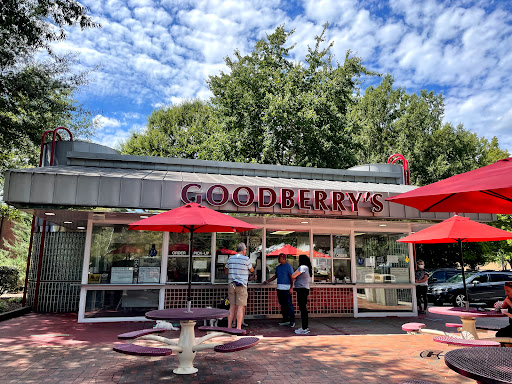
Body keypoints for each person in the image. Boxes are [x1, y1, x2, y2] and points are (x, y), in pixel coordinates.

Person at [225, 242, 254, 329]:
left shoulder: (230, 258)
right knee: (240, 307)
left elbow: (226, 271)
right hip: (241, 285)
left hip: (231, 284)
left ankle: (229, 326)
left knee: (232, 307)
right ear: (243, 250)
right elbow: (252, 270)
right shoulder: (246, 259)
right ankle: (238, 328)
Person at [264, 253, 295, 327]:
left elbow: (292, 277)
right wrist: (268, 281)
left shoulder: (288, 266)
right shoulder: (278, 267)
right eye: (278, 258)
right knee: (282, 305)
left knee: (289, 305)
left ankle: (292, 320)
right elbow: (276, 276)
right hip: (279, 288)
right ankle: (285, 319)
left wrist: (291, 287)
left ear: (284, 259)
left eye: (280, 258)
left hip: (286, 288)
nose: (278, 260)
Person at [291, 254, 312, 335]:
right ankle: (305, 327)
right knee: (303, 308)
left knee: (302, 309)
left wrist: (293, 277)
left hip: (301, 289)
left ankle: (304, 328)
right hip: (305, 289)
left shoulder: (302, 267)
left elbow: (293, 275)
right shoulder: (308, 268)